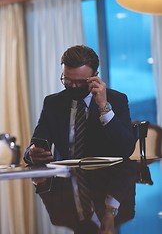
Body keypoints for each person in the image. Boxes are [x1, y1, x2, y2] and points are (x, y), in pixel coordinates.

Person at [24, 45, 137, 234]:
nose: (73, 87)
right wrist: (32, 153)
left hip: (108, 178)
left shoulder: (116, 100)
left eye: (80, 82)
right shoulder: (52, 103)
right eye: (67, 80)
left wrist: (103, 107)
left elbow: (126, 149)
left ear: (95, 76)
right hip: (65, 177)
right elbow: (35, 144)